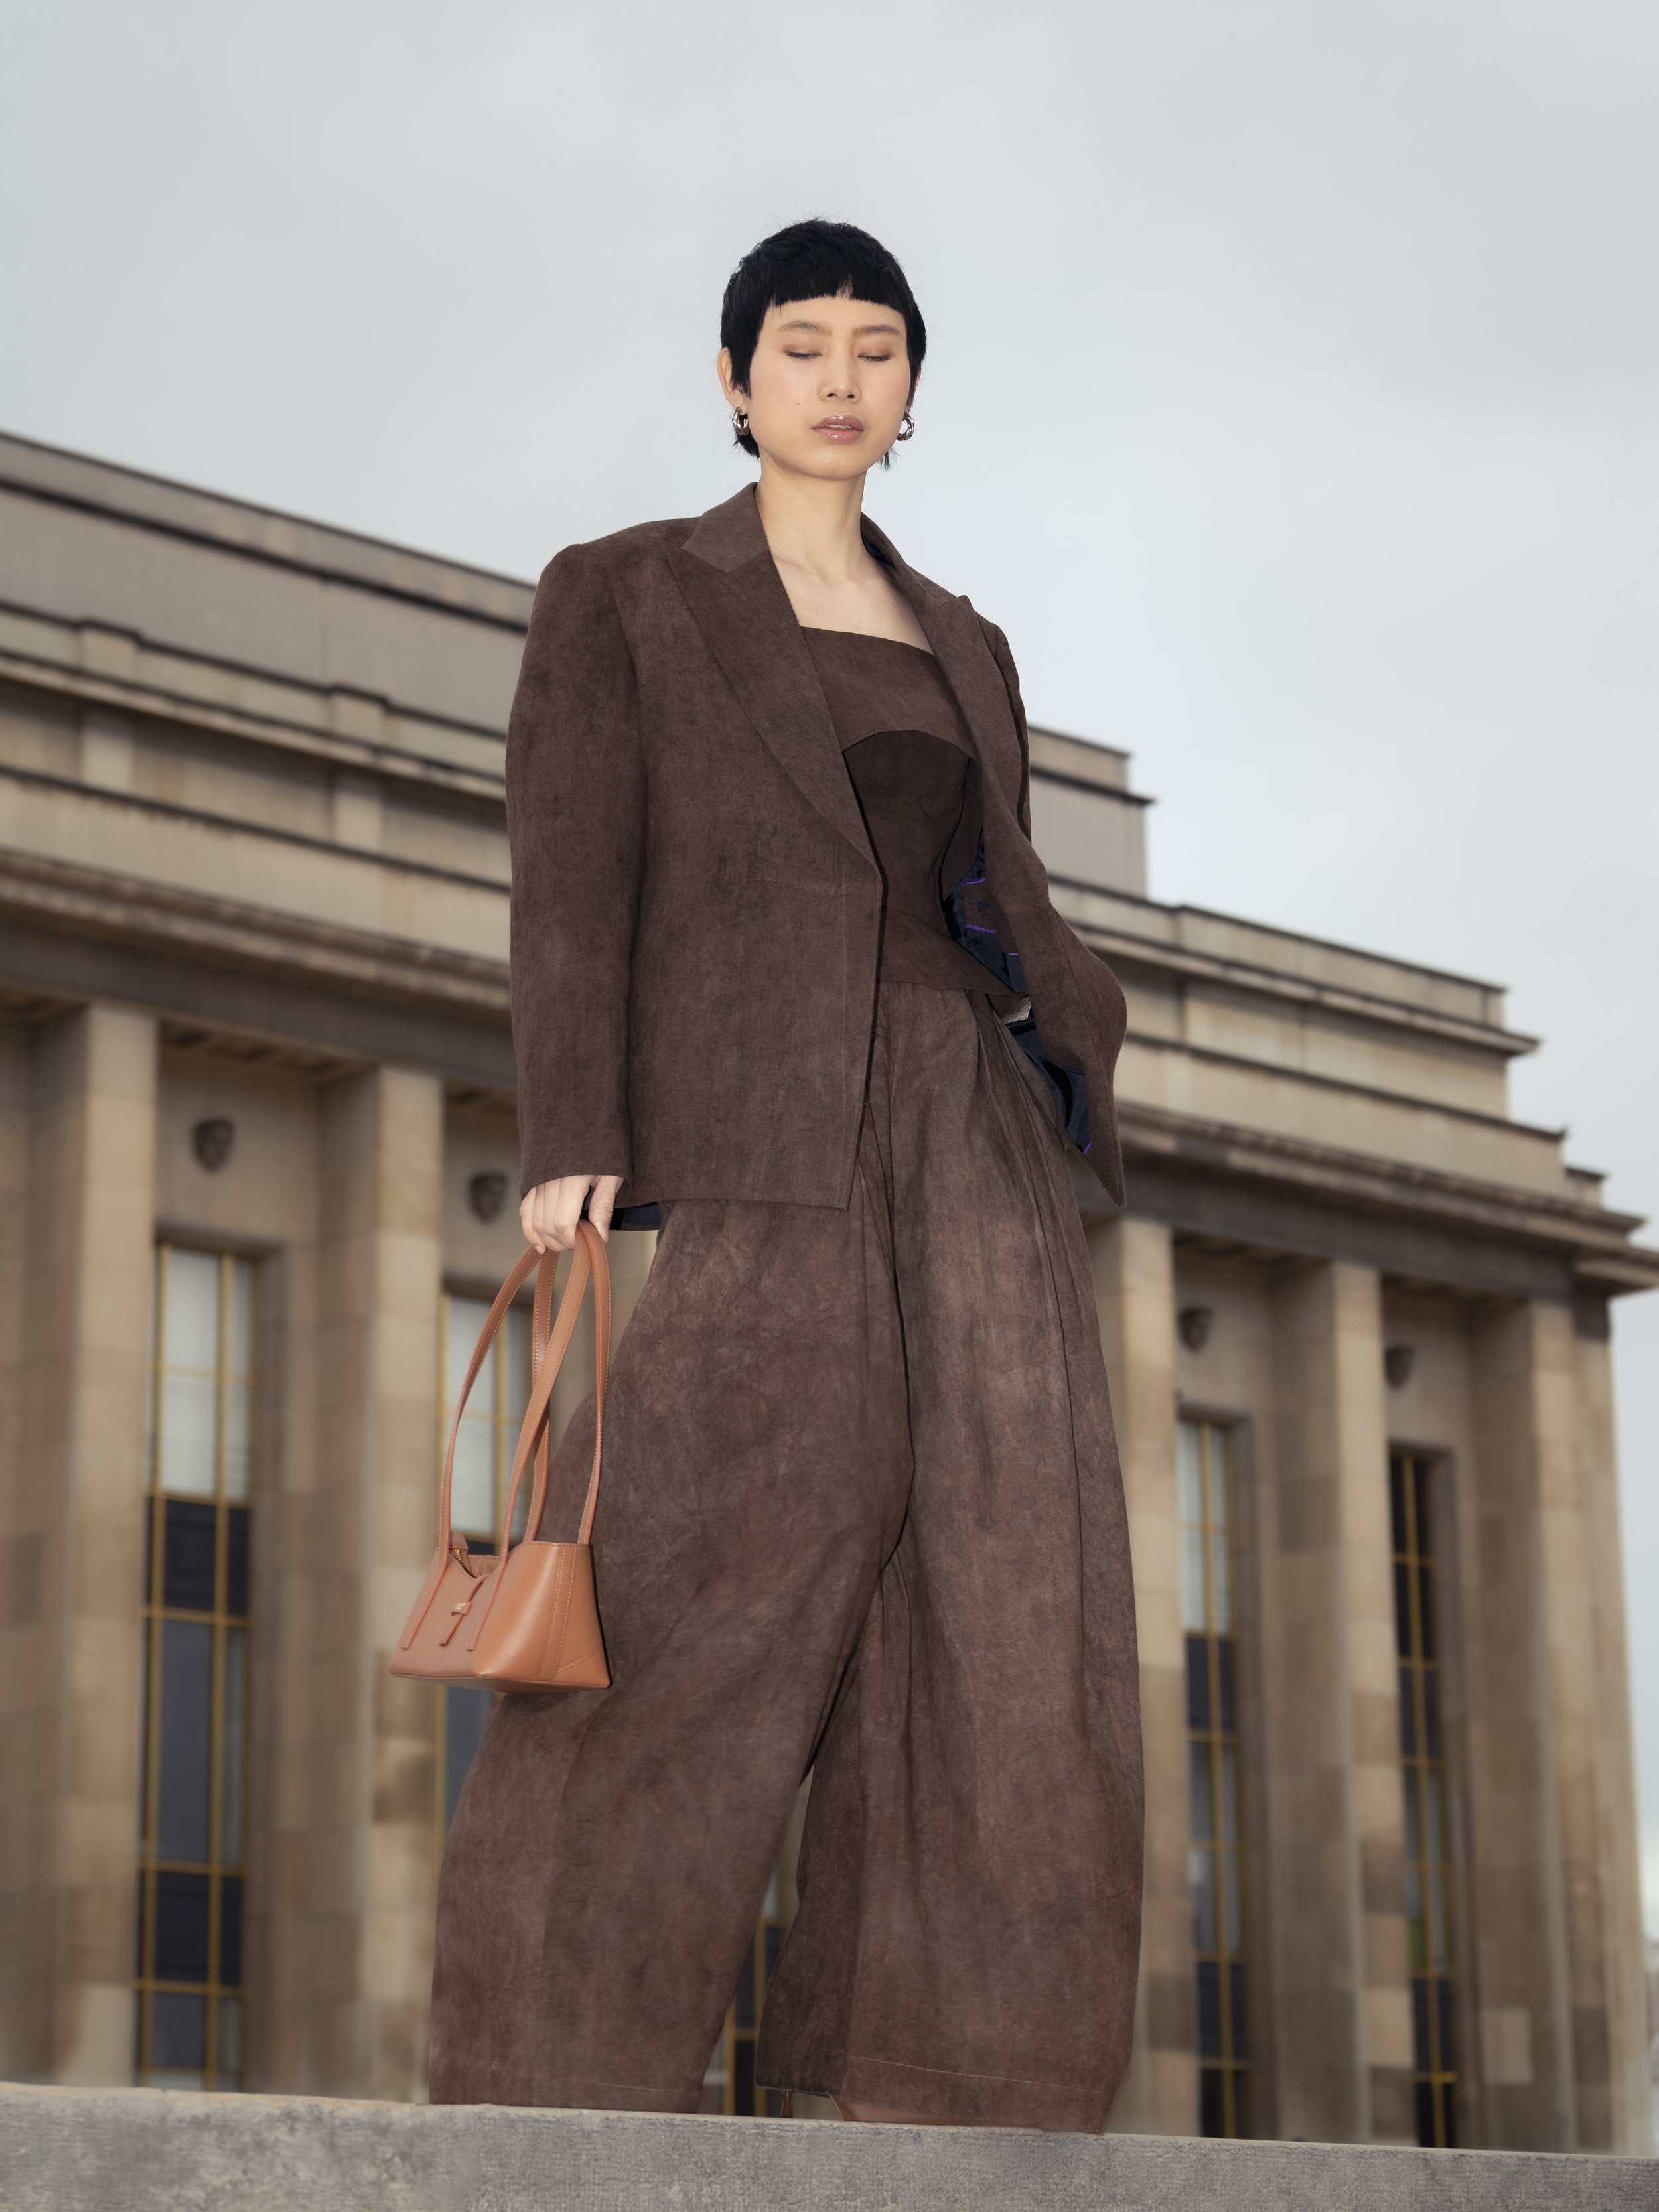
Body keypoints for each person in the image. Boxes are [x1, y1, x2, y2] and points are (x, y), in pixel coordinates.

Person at [427, 218, 1143, 2133]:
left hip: (965, 1131)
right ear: (734, 379)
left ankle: (928, 2081)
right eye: (801, 344)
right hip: (756, 1126)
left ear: (911, 395)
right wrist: (573, 1129)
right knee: (694, 1576)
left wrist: (1073, 1023)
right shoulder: (626, 593)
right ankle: (545, 2072)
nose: (839, 376)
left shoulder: (963, 637)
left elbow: (997, 883)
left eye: (878, 348)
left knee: (1002, 1597)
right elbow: (570, 871)